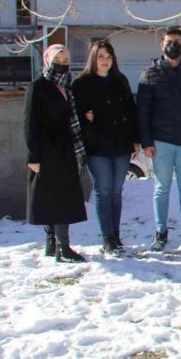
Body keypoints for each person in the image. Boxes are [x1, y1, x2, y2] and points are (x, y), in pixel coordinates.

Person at [137, 28, 181, 251]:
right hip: (161, 142)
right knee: (162, 188)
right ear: (162, 45)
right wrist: (146, 142)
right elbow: (143, 112)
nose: (173, 45)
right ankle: (161, 233)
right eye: (169, 41)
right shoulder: (149, 74)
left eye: (177, 41)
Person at [73, 41, 138, 255]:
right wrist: (89, 123)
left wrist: (134, 140)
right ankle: (107, 237)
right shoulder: (81, 83)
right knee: (103, 190)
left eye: (108, 56)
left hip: (121, 144)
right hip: (97, 147)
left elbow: (131, 111)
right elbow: (77, 118)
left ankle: (116, 235)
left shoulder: (120, 80)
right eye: (100, 56)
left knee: (116, 192)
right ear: (93, 58)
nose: (105, 60)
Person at [24, 44, 87, 263]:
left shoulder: (67, 86)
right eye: (57, 61)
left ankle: (53, 245)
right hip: (47, 153)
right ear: (47, 61)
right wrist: (33, 156)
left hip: (66, 152)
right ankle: (62, 247)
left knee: (59, 199)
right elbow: (29, 123)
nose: (62, 65)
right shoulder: (38, 86)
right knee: (54, 200)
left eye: (65, 61)